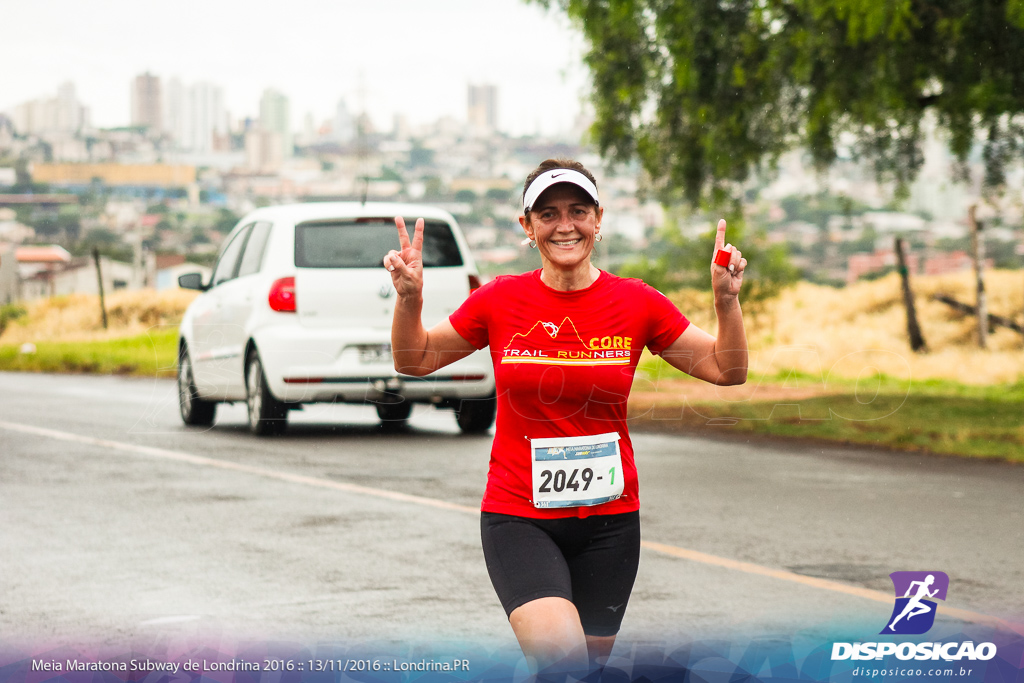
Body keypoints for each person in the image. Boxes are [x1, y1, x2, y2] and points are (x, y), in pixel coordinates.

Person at [384, 158, 748, 672]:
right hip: (519, 518)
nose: (565, 225)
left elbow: (725, 369)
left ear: (598, 219)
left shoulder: (636, 302)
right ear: (527, 227)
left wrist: (726, 301)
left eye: (578, 210)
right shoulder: (501, 299)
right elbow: (414, 359)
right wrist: (410, 300)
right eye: (548, 213)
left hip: (611, 524)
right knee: (563, 662)